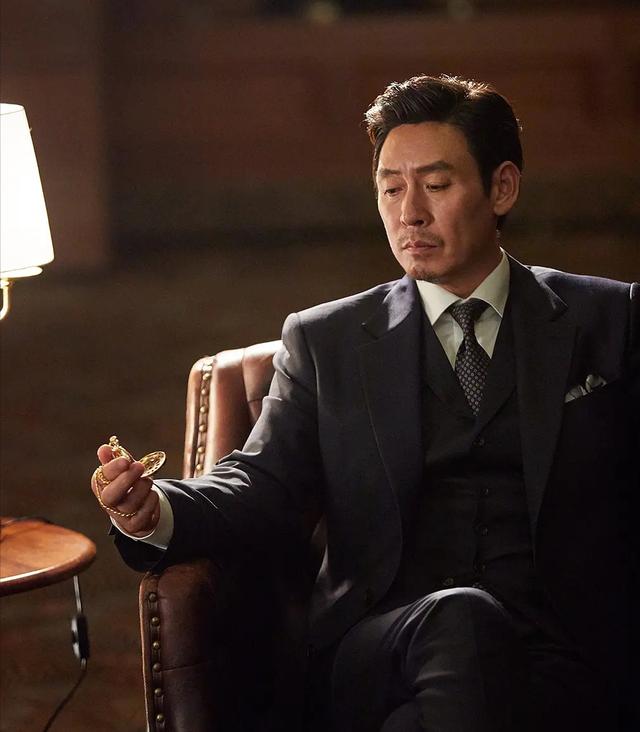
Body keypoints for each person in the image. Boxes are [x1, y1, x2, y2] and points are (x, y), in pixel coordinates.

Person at [91, 74, 639, 731]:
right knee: (460, 620)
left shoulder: (609, 320)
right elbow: (262, 482)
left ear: (502, 188)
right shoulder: (329, 340)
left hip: (562, 649)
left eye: (436, 185)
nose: (410, 214)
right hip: (382, 646)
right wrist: (155, 511)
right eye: (390, 188)